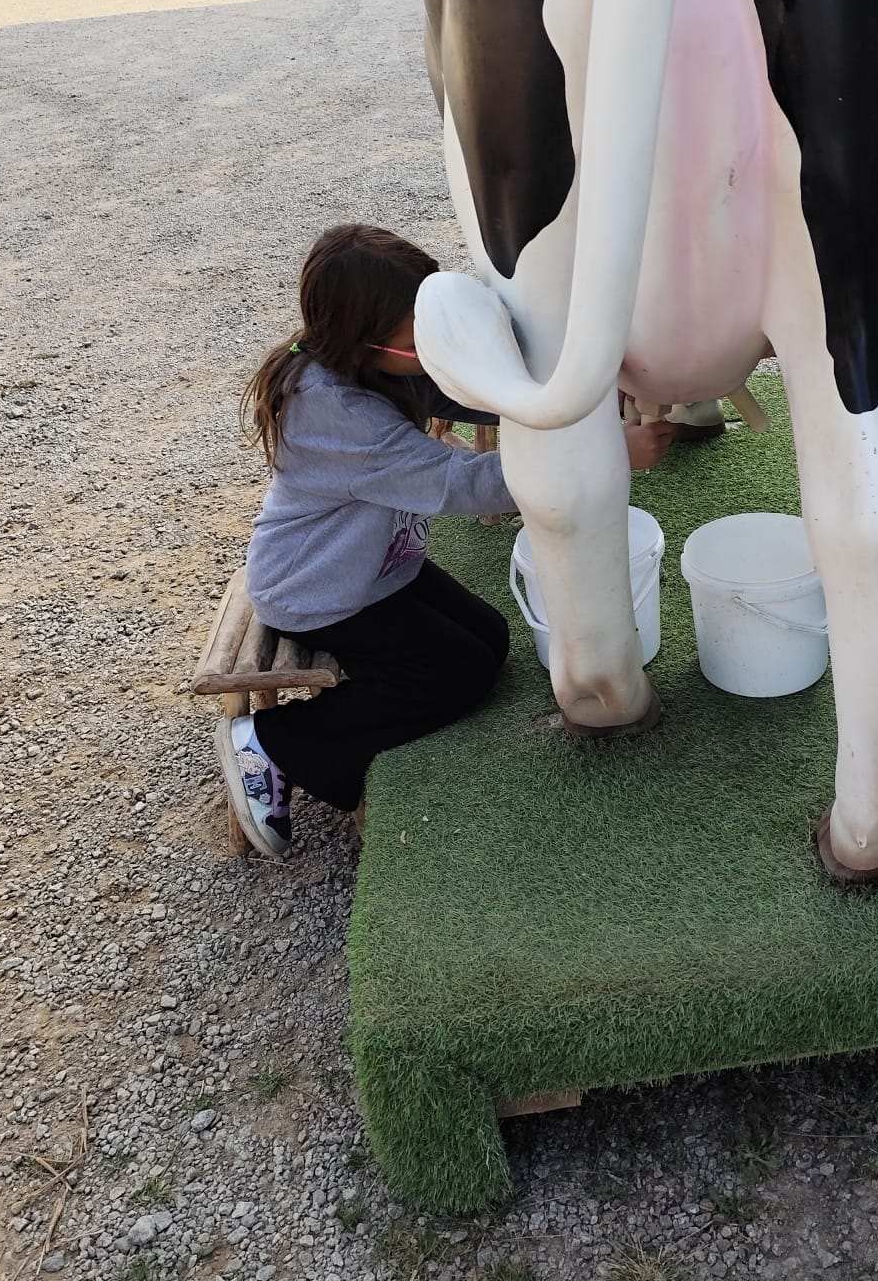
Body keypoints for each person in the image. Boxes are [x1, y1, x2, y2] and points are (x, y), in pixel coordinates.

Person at [220, 223, 674, 859]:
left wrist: (577, 397)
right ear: (367, 336)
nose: (429, 350)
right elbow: (464, 485)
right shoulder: (342, 417)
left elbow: (465, 389)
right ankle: (275, 743)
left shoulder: (369, 363)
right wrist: (604, 451)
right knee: (458, 674)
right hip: (319, 592)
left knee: (489, 640)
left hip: (377, 572)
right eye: (419, 338)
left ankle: (329, 712)